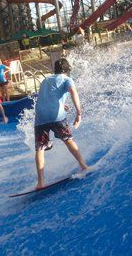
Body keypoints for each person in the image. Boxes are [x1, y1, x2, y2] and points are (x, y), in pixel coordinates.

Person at [34, 58, 89, 189]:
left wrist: (62, 104)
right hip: (56, 115)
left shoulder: (46, 80)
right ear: (67, 70)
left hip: (40, 116)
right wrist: (79, 113)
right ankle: (84, 166)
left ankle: (40, 182)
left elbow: (45, 98)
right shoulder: (67, 79)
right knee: (68, 140)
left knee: (40, 148)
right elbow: (73, 93)